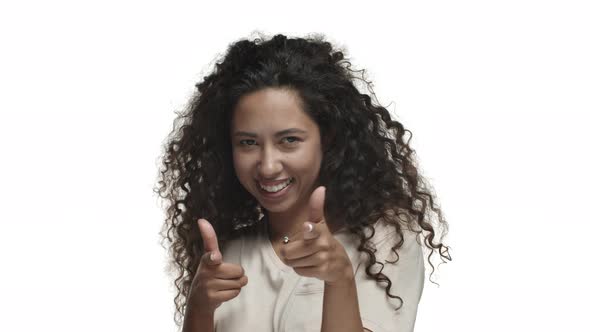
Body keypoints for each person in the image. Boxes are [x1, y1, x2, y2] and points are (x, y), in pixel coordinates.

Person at [155, 32, 452, 332]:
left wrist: (339, 280)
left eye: (289, 140)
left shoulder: (384, 239)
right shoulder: (227, 254)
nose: (268, 166)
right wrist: (199, 308)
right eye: (248, 142)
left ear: (329, 137)